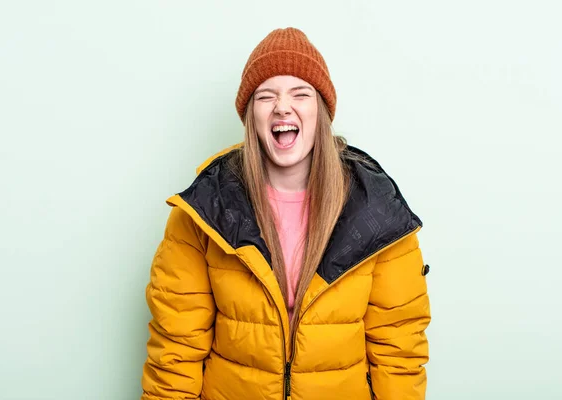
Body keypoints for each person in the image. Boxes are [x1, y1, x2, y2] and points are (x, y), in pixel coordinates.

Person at [140, 27, 431, 400]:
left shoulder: (377, 211)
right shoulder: (203, 211)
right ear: (251, 115)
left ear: (321, 110)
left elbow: (399, 352)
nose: (282, 106)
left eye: (300, 93)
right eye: (266, 95)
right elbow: (175, 352)